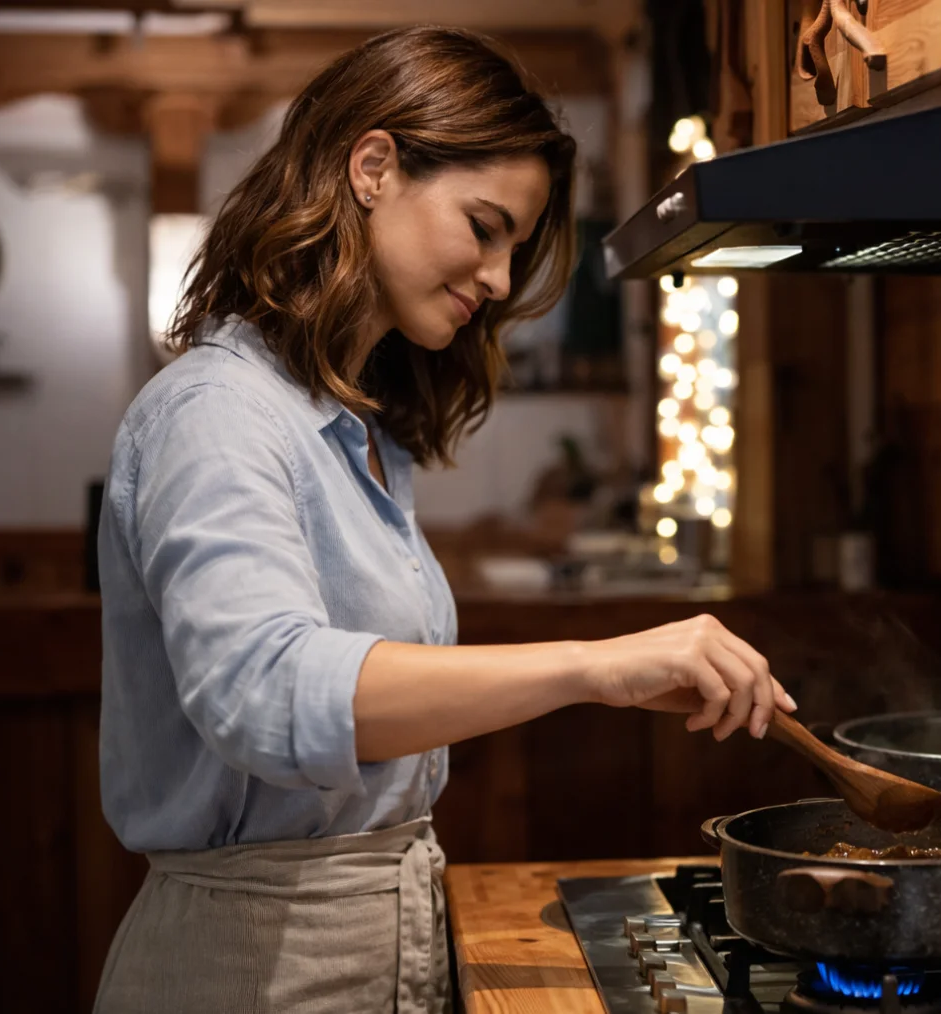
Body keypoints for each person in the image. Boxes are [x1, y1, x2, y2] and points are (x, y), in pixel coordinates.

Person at [92, 26, 794, 1014]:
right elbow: (265, 692)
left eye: (513, 245)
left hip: (380, 932)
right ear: (372, 167)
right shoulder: (214, 412)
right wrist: (592, 667)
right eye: (484, 226)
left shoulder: (355, 430)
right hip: (248, 965)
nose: (501, 281)